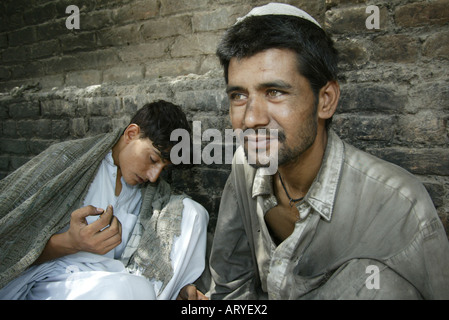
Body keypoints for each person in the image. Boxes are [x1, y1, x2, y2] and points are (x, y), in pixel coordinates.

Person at [209, 3, 449, 299]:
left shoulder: (399, 206)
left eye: (275, 92)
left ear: (326, 100)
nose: (250, 118)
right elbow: (230, 284)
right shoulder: (245, 165)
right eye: (238, 95)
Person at [0, 100, 209, 300]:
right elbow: (13, 244)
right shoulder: (66, 162)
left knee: (192, 212)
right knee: (123, 292)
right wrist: (71, 243)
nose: (154, 176)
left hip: (115, 276)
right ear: (131, 133)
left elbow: (150, 251)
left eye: (163, 168)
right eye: (153, 159)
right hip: (50, 278)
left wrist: (179, 285)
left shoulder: (151, 194)